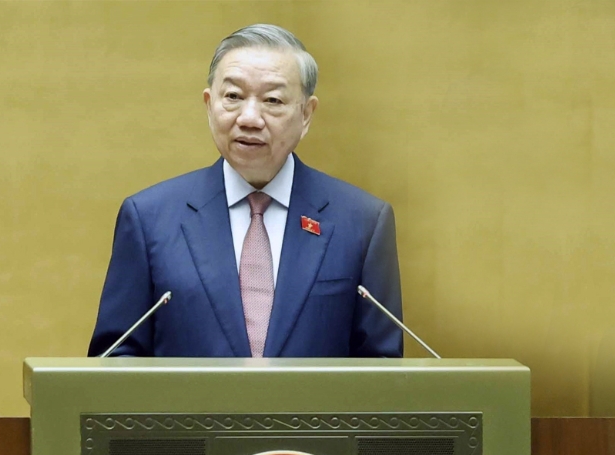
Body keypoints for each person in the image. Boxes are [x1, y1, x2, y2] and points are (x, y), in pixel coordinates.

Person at [87, 24, 403, 358]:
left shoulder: (363, 222)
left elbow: (382, 370)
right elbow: (114, 360)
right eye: (233, 97)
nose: (250, 118)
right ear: (209, 104)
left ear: (306, 114)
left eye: (273, 100)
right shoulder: (148, 219)